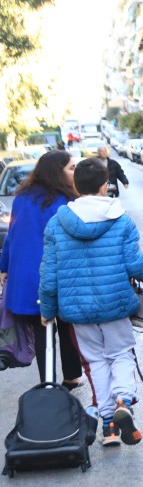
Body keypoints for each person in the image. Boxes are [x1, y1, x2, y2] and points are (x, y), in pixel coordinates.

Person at [38, 158, 143, 447]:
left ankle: (109, 425)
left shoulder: (57, 223)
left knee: (97, 361)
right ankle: (124, 398)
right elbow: (137, 268)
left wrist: (47, 310)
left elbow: (49, 273)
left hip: (78, 309)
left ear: (75, 185)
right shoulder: (121, 218)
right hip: (115, 303)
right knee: (121, 353)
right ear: (104, 186)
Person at [0, 150, 84, 390]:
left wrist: (4, 266)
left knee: (41, 330)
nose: (74, 172)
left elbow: (11, 237)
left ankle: (47, 382)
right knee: (67, 326)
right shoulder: (66, 201)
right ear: (57, 172)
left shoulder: (22, 198)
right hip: (58, 274)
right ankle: (71, 376)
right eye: (71, 168)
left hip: (28, 276)